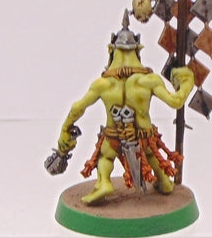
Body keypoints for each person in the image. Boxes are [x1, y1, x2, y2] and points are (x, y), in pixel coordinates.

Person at [46, 14, 195, 205]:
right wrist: (187, 80)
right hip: (144, 136)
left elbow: (77, 108)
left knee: (105, 158)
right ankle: (164, 182)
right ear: (137, 50)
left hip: (113, 136)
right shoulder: (148, 80)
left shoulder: (103, 84)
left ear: (111, 50)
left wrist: (66, 128)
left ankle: (104, 182)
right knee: (150, 154)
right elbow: (176, 101)